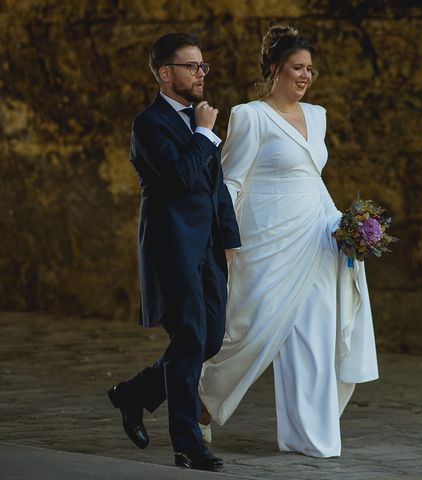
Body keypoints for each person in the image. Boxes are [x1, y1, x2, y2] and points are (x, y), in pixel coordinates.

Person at [198, 25, 379, 458]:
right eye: (297, 68)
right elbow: (232, 181)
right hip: (266, 241)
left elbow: (312, 178)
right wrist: (225, 236)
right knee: (251, 332)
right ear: (275, 69)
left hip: (317, 237)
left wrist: (347, 227)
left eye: (310, 69)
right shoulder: (249, 115)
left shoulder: (317, 115)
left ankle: (310, 436)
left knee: (316, 333)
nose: (305, 76)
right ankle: (201, 406)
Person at [107, 32, 240, 472]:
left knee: (210, 336)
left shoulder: (198, 120)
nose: (201, 74)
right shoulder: (148, 124)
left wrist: (231, 239)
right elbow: (182, 176)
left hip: (209, 247)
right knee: (187, 341)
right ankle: (187, 444)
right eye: (191, 66)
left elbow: (213, 186)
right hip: (173, 248)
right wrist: (204, 132)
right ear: (166, 74)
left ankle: (135, 393)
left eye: (203, 66)